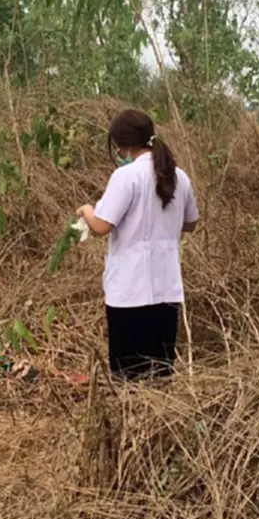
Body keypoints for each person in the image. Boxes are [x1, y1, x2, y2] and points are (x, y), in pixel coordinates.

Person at [76, 109, 199, 380]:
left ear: (122, 144)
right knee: (160, 373)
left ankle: (129, 422)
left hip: (130, 292)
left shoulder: (126, 177)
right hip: (166, 289)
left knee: (128, 376)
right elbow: (190, 224)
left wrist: (86, 210)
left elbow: (101, 226)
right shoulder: (180, 176)